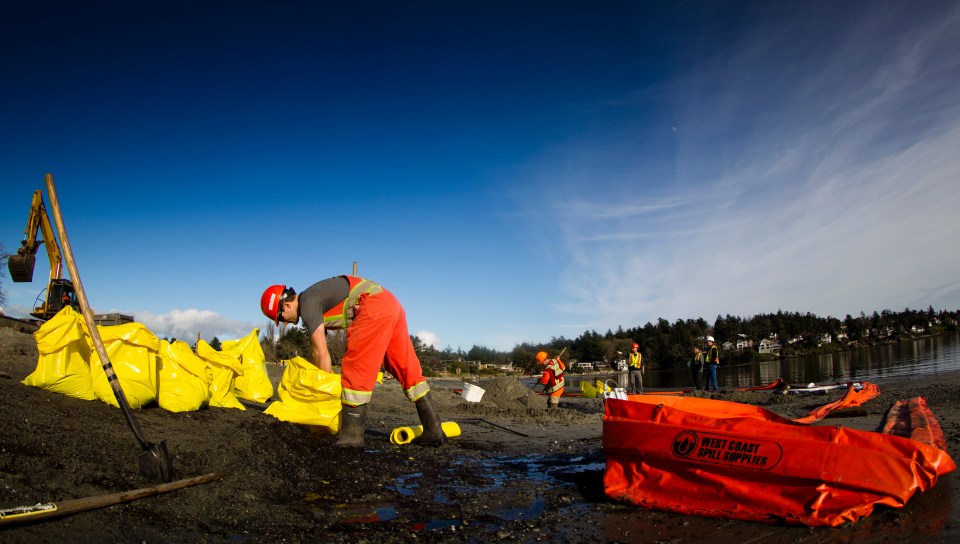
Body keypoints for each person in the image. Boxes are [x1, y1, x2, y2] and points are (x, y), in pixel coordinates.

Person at [260, 276, 444, 448]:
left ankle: (351, 436)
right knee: (405, 366)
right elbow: (317, 352)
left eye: (280, 319)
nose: (285, 324)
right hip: (391, 304)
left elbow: (322, 353)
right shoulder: (314, 299)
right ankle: (433, 429)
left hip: (373, 306)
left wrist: (321, 392)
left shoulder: (307, 303)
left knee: (356, 366)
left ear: (285, 306)